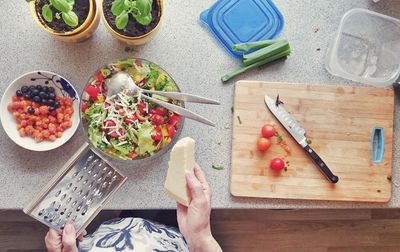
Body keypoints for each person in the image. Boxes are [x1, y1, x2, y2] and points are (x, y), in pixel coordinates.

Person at [45, 164, 222, 252]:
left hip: (106, 239)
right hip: (174, 241)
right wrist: (200, 237)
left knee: (128, 215)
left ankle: (127, 218)